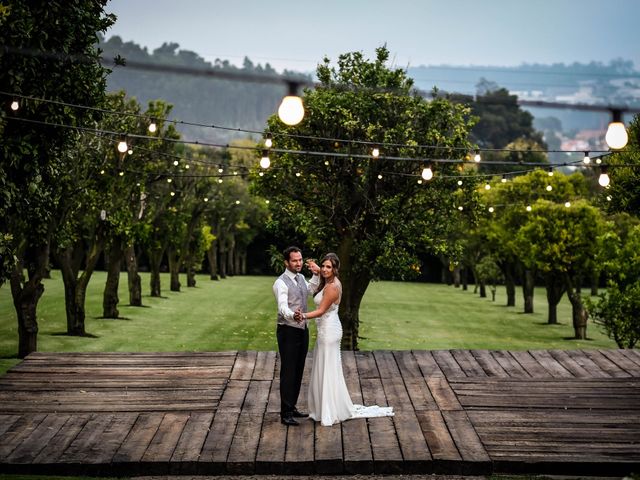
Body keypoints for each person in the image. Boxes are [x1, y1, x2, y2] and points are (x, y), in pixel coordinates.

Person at [295, 253, 394, 426]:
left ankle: (328, 410)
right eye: (324, 266)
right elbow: (320, 271)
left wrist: (302, 315)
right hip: (325, 330)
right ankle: (323, 408)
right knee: (324, 366)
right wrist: (315, 268)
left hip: (329, 331)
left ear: (335, 269)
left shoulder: (332, 287)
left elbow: (320, 311)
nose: (325, 269)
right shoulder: (328, 279)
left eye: (329, 267)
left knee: (327, 368)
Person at [272, 246, 320, 426]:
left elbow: (311, 290)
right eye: (294, 260)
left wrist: (315, 274)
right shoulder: (280, 283)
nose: (298, 263)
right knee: (288, 371)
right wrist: (293, 315)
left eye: (300, 260)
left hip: (302, 329)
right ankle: (285, 413)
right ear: (286, 262)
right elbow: (282, 306)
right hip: (288, 330)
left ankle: (292, 407)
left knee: (299, 369)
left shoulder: (300, 278)